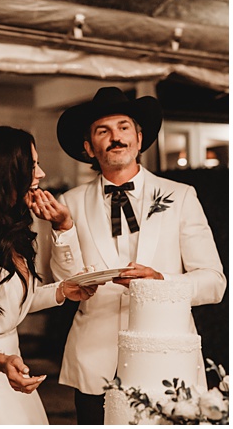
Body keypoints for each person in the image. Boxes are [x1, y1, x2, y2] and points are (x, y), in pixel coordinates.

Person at [40, 87, 226, 425]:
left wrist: (159, 281)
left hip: (166, 361)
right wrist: (63, 228)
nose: (116, 137)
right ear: (88, 148)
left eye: (124, 127)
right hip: (94, 362)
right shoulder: (69, 203)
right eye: (103, 131)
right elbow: (63, 282)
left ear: (139, 139)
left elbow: (214, 283)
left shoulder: (180, 196)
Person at [0, 126, 93, 425]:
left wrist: (62, 290)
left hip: (11, 361)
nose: (42, 173)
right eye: (32, 165)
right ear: (5, 171)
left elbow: (7, 303)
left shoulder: (6, 226)